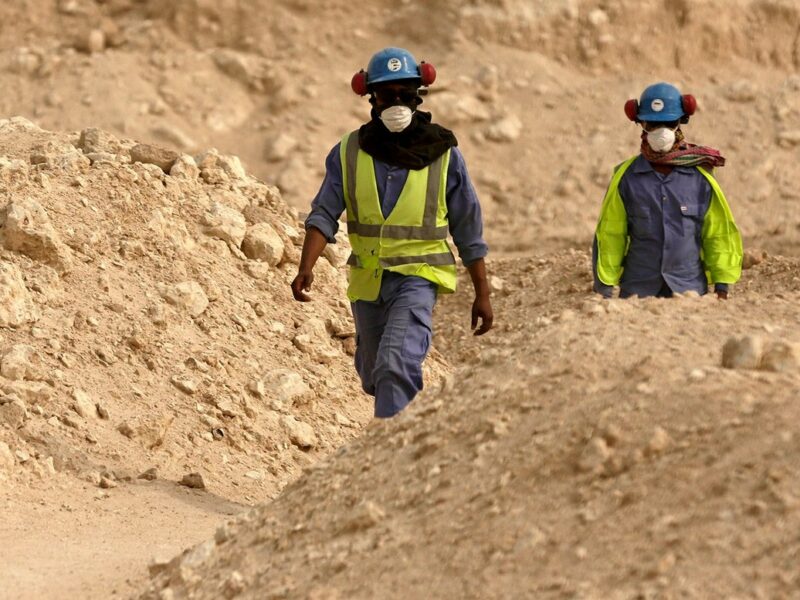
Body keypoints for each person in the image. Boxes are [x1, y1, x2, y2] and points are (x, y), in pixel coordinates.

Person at [291, 47, 493, 418]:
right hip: (368, 283)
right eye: (387, 95)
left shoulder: (444, 153)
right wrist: (307, 265)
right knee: (373, 374)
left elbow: (469, 228)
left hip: (418, 279)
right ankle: (408, 438)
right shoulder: (348, 151)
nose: (396, 102)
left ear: (419, 93)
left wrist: (482, 292)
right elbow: (324, 212)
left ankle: (393, 464)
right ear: (371, 96)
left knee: (395, 365)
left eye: (404, 93)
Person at [593, 82, 743, 299]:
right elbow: (610, 234)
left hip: (689, 291)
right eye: (652, 124)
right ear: (641, 124)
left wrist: (722, 285)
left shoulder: (701, 178)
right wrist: (604, 286)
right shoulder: (625, 177)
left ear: (680, 122)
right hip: (637, 292)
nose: (660, 131)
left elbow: (717, 233)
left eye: (667, 122)